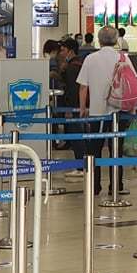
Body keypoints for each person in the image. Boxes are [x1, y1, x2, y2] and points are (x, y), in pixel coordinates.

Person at [77, 26, 124, 196]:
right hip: (118, 111)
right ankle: (116, 185)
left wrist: (83, 108)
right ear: (116, 40)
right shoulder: (122, 57)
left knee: (94, 150)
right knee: (116, 149)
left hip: (96, 111)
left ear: (99, 39)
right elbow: (132, 83)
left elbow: (83, 87)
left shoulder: (90, 59)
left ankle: (94, 186)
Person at [57, 38, 86, 181]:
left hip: (74, 107)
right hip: (81, 106)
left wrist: (70, 109)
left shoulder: (72, 67)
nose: (61, 53)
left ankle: (81, 167)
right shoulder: (81, 63)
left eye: (63, 50)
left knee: (77, 136)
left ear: (70, 51)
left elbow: (73, 90)